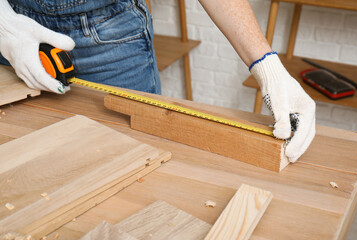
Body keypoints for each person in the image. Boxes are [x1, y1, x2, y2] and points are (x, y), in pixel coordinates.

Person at [0, 0, 315, 162]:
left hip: (110, 32)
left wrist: (266, 65)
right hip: (16, 37)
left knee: (135, 167)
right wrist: (6, 29)